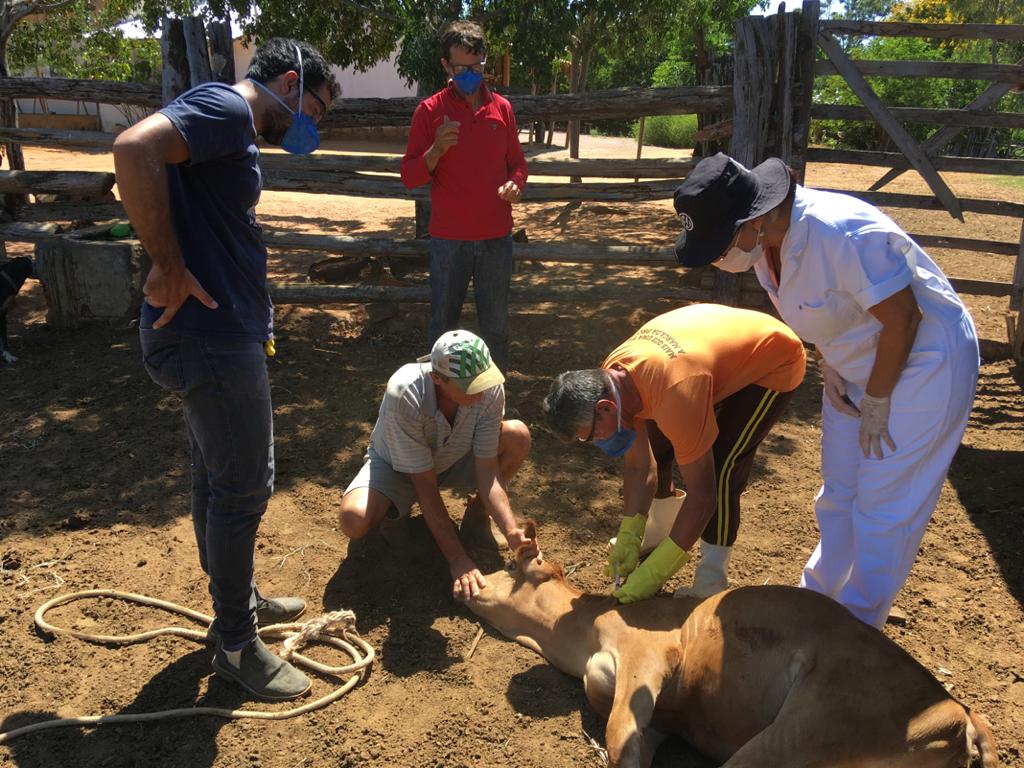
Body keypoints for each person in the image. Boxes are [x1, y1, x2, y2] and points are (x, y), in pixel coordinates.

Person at [113, 38, 339, 701]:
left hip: (216, 331)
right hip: (209, 335)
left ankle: (237, 602)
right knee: (242, 484)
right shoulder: (229, 109)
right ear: (291, 84)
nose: (311, 127)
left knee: (216, 477)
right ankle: (238, 643)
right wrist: (168, 263)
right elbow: (132, 150)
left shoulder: (221, 121)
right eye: (315, 109)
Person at [672, 153, 980, 629]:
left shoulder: (840, 233)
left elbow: (903, 320)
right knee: (838, 494)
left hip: (924, 366)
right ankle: (815, 604)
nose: (716, 257)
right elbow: (825, 307)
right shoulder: (763, 248)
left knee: (884, 506)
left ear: (752, 221)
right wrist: (828, 359)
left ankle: (856, 628)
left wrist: (877, 400)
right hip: (854, 364)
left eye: (718, 244)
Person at [542, 304, 806, 603]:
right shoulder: (613, 377)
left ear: (606, 408)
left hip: (772, 362)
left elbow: (703, 496)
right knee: (662, 445)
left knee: (721, 469)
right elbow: (641, 467)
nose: (595, 442)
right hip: (708, 357)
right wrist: (631, 530)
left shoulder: (675, 394)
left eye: (590, 435)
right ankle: (657, 532)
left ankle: (710, 580)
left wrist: (658, 571)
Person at [339, 330, 532, 601]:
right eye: (469, 386)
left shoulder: (489, 389)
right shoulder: (405, 392)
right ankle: (393, 517)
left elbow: (487, 469)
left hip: (452, 457)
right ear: (437, 379)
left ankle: (478, 516)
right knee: (353, 520)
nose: (480, 392)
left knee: (516, 435)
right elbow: (425, 486)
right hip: (398, 468)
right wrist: (458, 560)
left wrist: (511, 530)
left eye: (483, 381)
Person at [400, 19, 529, 375]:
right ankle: (437, 403)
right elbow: (410, 176)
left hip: (495, 239)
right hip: (448, 241)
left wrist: (516, 184)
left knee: (496, 329)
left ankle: (495, 402)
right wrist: (436, 150)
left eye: (476, 67)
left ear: (484, 61)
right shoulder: (428, 112)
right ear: (446, 66)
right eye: (461, 68)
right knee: (442, 327)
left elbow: (518, 164)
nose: (470, 74)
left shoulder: (502, 109)